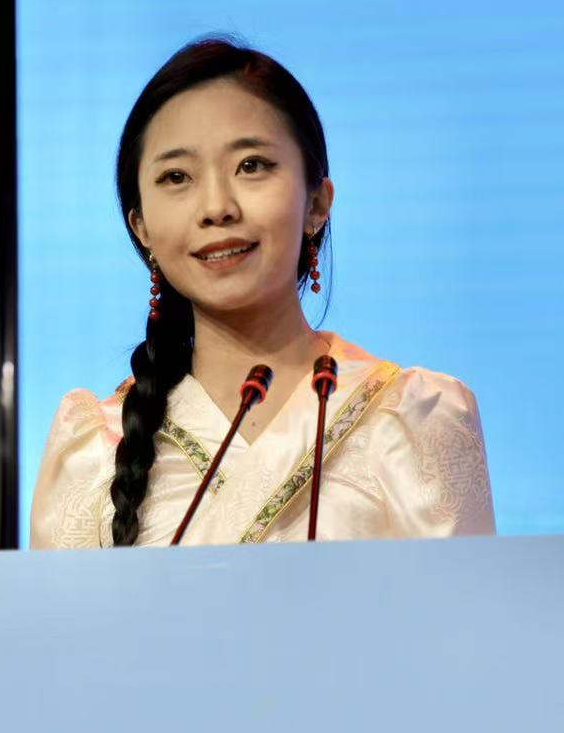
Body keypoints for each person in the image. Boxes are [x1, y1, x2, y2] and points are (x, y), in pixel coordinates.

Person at [30, 38, 495, 549]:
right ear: (141, 227)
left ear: (316, 204)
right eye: (177, 176)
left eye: (251, 165)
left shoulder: (412, 417)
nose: (217, 207)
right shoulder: (96, 446)